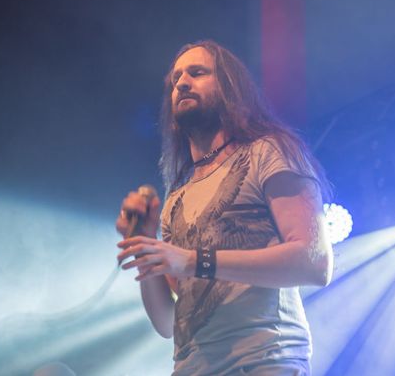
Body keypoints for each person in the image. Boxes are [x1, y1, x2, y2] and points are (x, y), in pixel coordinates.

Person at [115, 40, 333, 375]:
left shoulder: (268, 151)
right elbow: (168, 322)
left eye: (197, 73)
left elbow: (314, 263)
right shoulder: (176, 199)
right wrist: (145, 243)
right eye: (175, 79)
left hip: (263, 361)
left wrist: (192, 260)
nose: (182, 83)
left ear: (230, 89)